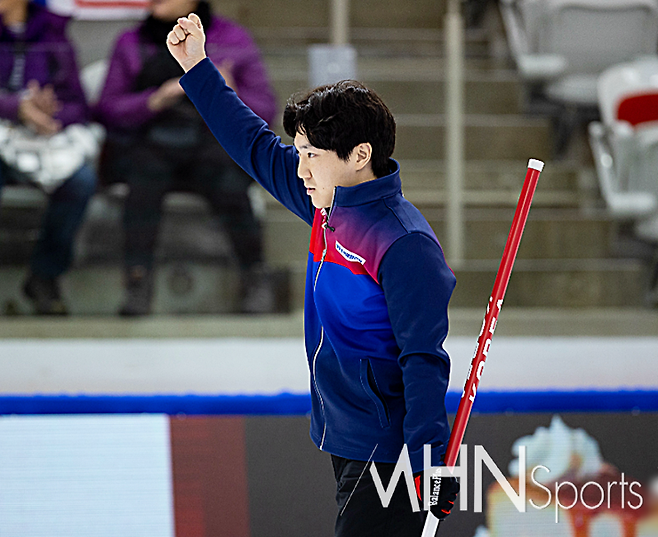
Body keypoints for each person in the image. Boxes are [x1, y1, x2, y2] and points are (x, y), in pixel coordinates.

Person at [167, 14, 460, 537]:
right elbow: (254, 146)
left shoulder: (405, 244)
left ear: (359, 156)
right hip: (344, 432)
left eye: (311, 156)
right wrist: (197, 67)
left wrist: (428, 461)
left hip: (389, 452)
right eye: (299, 153)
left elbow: (423, 359)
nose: (299, 170)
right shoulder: (326, 204)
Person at [95, 0, 277, 315]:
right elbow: (107, 109)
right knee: (143, 183)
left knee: (231, 183)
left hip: (210, 144)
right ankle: (137, 283)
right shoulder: (131, 41)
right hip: (153, 142)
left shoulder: (233, 38)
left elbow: (265, 111)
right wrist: (155, 99)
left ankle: (254, 276)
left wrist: (226, 93)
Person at [0, 0, 96, 315]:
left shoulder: (53, 34)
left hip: (41, 140)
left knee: (80, 181)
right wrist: (16, 108)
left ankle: (45, 276)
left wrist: (50, 113)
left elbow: (78, 104)